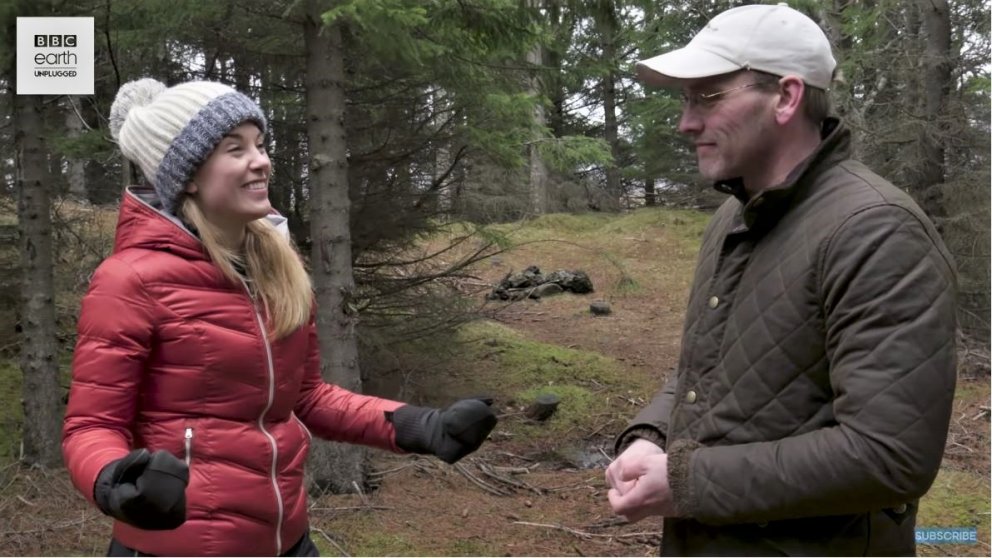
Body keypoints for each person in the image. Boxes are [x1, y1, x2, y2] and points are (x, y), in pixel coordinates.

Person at [63, 78, 498, 557]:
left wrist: (419, 426)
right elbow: (90, 426)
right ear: (186, 174)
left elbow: (306, 397)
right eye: (235, 149)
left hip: (288, 542)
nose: (261, 160)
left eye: (261, 144)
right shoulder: (128, 280)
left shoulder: (277, 264)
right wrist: (113, 480)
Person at [605, 4, 958, 556]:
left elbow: (890, 457)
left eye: (709, 95)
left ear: (788, 97)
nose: (686, 121)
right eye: (685, 98)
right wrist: (650, 436)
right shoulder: (735, 215)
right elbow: (706, 369)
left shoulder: (877, 232)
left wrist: (686, 482)